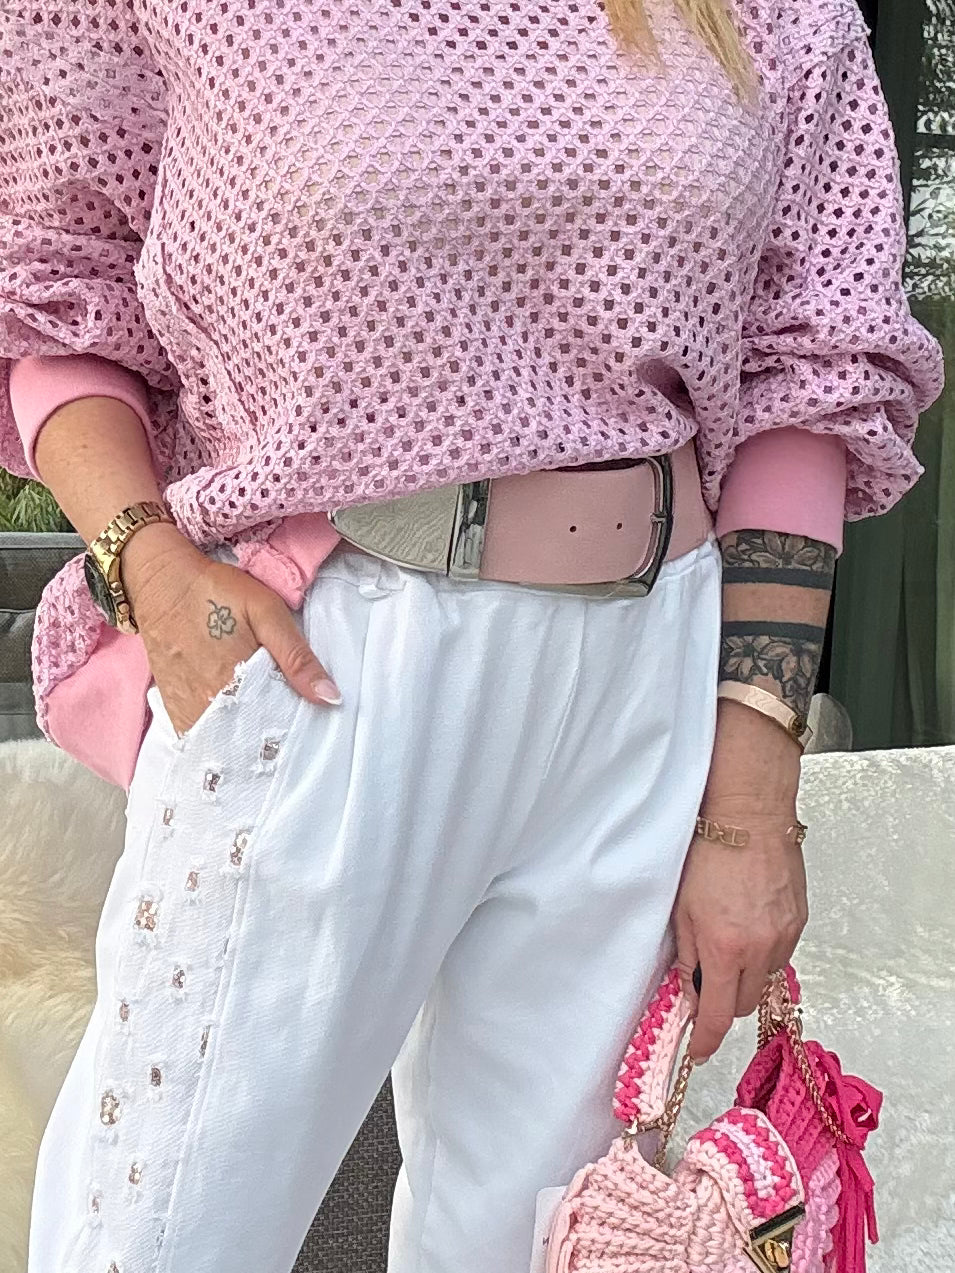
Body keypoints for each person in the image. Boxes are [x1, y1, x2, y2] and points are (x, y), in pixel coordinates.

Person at [0, 0, 944, 1268]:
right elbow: (51, 285)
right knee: (159, 1231)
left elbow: (811, 371)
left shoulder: (775, 13)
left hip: (649, 668)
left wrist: (751, 802)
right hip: (327, 649)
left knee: (539, 1232)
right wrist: (147, 565)